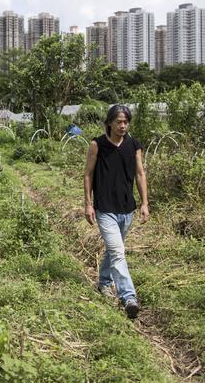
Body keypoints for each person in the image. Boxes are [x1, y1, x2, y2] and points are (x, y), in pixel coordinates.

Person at [83, 104, 149, 319]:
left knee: (115, 250)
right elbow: (88, 174)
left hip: (126, 209)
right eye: (119, 121)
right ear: (110, 122)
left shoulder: (134, 145)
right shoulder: (98, 144)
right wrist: (88, 203)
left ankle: (103, 282)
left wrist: (145, 203)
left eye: (126, 122)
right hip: (105, 209)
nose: (122, 125)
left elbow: (140, 174)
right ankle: (128, 297)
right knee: (119, 252)